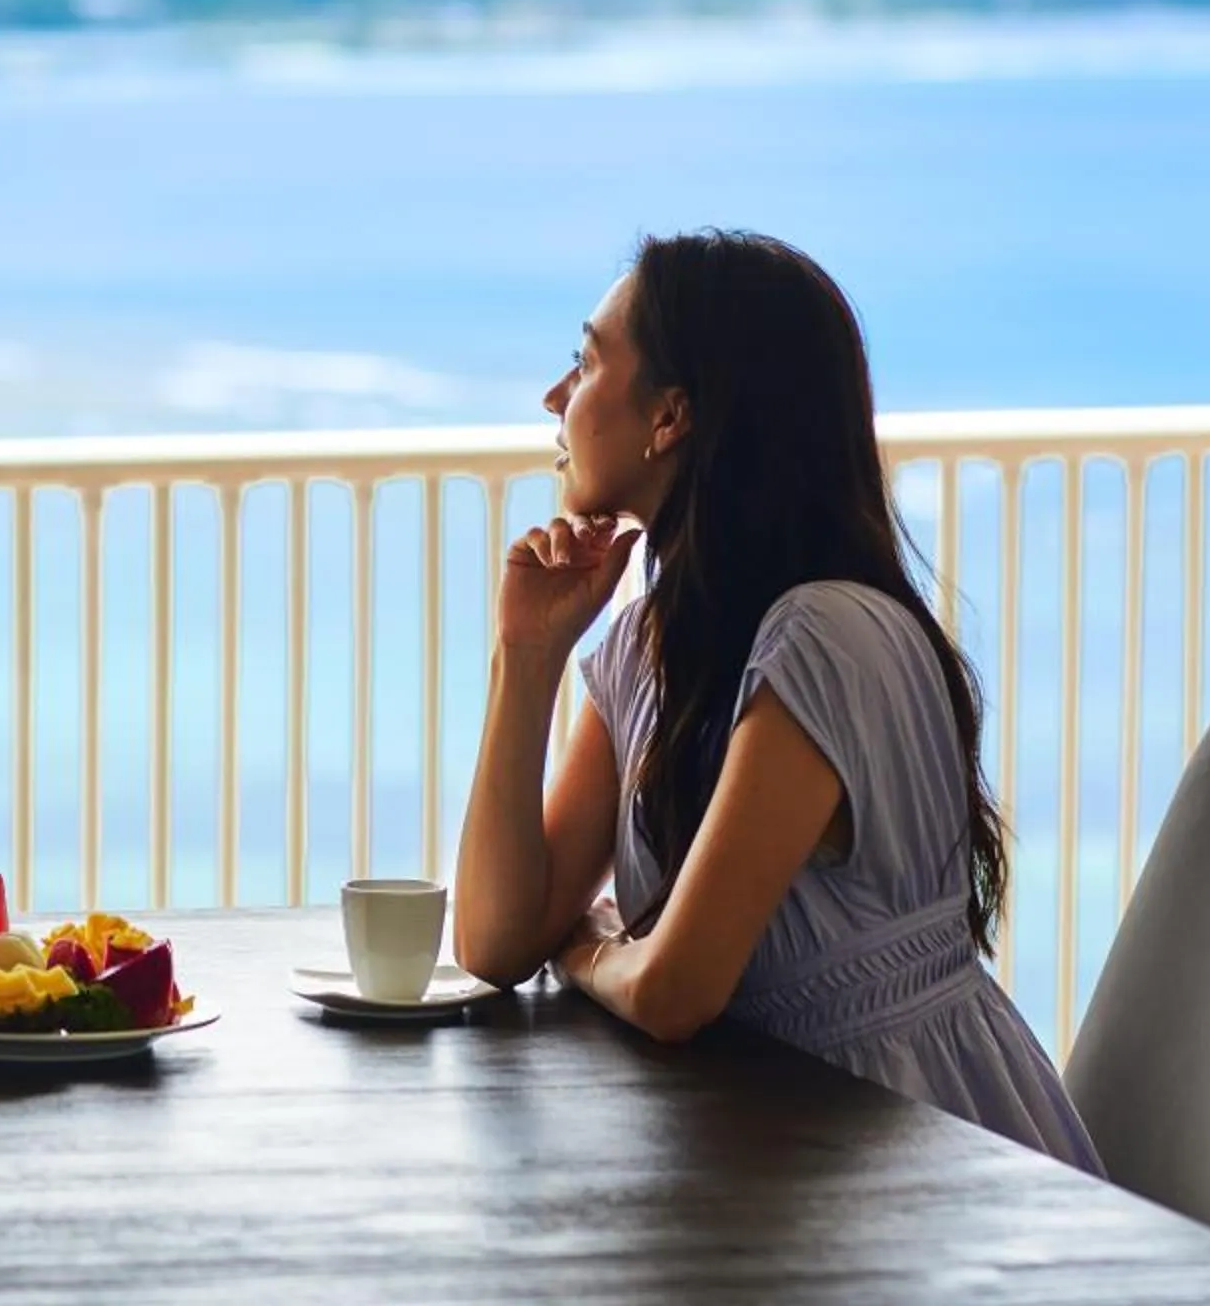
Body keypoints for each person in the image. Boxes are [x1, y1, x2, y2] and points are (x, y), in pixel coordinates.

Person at [451, 228, 1099, 1170]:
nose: (556, 397)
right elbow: (497, 937)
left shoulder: (825, 637)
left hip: (912, 1159)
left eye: (586, 363)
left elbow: (675, 991)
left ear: (670, 417)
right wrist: (527, 655)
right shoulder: (650, 643)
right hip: (769, 1151)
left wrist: (588, 948)